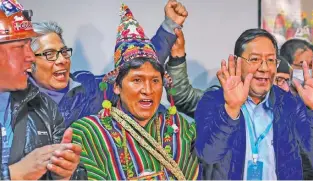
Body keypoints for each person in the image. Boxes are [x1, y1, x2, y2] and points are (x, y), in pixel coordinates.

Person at [70, 4, 198, 180]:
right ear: (116, 86)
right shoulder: (88, 132)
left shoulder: (179, 129)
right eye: (137, 80)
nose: (147, 90)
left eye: (155, 81)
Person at [195, 29, 313, 180]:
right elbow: (208, 155)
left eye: (270, 60)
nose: (264, 68)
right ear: (237, 62)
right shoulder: (214, 100)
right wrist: (231, 109)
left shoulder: (289, 103)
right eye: (255, 59)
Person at [29, 0, 188, 127]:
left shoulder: (90, 87)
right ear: (28, 61)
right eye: (50, 54)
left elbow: (137, 66)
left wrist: (170, 27)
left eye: (64, 52)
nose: (62, 60)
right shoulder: (15, 102)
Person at [0, 1, 85, 180]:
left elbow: (78, 174)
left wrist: (64, 174)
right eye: (20, 48)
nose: (30, 57)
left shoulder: (44, 106)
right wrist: (14, 174)